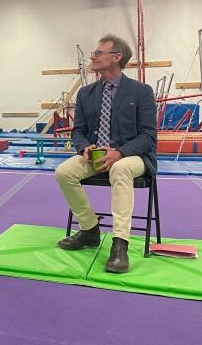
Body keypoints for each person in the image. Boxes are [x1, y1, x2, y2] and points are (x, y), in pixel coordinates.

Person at [55, 34, 157, 274]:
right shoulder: (86, 93)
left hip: (133, 157)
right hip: (96, 155)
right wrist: (84, 148)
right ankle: (90, 230)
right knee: (63, 172)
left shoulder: (141, 92)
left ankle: (120, 243)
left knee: (121, 169)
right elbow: (78, 131)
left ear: (117, 57)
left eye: (99, 53)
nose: (93, 56)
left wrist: (120, 153)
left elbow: (148, 137)